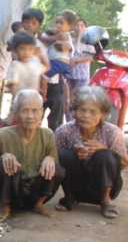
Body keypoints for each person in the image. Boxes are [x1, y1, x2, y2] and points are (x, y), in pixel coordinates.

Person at [0, 89, 65, 219]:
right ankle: (5, 206)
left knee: (55, 168)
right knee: (6, 162)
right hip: (12, 191)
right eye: (25, 111)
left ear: (41, 113)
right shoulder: (3, 134)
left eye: (35, 111)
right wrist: (4, 159)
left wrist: (50, 158)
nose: (30, 116)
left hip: (35, 191)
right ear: (16, 113)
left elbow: (54, 166)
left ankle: (38, 204)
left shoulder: (47, 135)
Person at [55, 86, 128, 218]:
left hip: (106, 187)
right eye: (82, 110)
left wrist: (104, 149)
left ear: (103, 114)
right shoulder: (64, 131)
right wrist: (73, 152)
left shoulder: (112, 132)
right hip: (77, 187)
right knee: (64, 154)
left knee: (105, 155)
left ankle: (105, 201)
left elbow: (124, 162)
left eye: (93, 112)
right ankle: (70, 197)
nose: (86, 115)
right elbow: (53, 159)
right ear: (74, 111)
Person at [66, 18, 95, 121]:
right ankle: (69, 122)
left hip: (82, 76)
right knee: (68, 100)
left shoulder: (89, 42)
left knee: (80, 99)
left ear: (86, 28)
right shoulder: (70, 40)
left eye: (82, 25)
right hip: (69, 75)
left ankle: (79, 121)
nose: (79, 27)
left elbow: (91, 58)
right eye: (77, 25)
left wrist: (77, 60)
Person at [5, 31, 46, 97]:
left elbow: (46, 67)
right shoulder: (15, 65)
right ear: (15, 50)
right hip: (21, 99)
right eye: (22, 48)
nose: (26, 52)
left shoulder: (35, 64)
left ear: (34, 50)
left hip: (34, 99)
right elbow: (13, 86)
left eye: (30, 49)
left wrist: (40, 54)